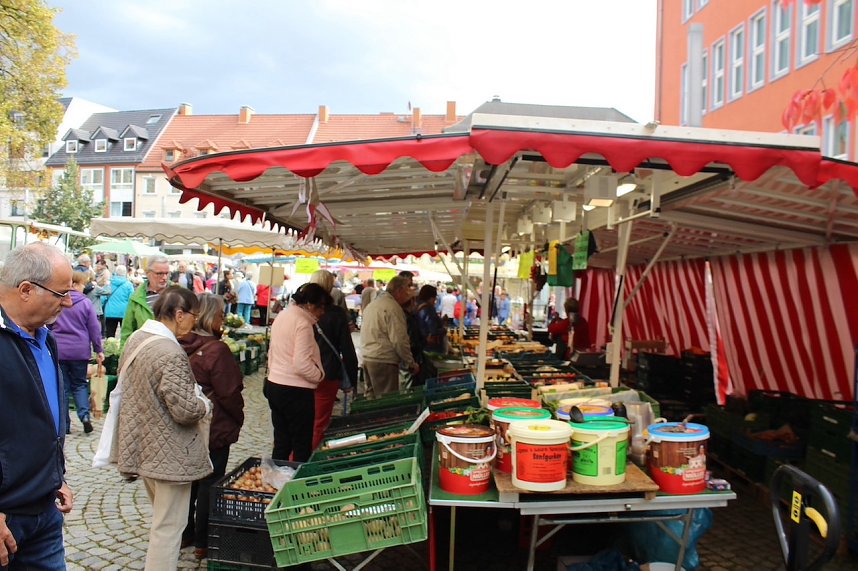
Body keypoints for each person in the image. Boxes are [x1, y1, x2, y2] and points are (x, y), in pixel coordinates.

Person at [116, 286, 211, 570]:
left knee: (162, 522)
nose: (195, 321)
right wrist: (204, 404)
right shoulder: (169, 351)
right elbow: (184, 410)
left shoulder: (137, 338)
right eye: (194, 315)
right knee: (169, 529)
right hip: (170, 455)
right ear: (179, 315)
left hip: (145, 447)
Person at [0, 242, 75, 569]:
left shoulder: (47, 339)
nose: (69, 302)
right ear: (26, 290)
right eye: (61, 294)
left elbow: (44, 417)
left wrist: (55, 475)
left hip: (44, 511)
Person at [178, 294, 244, 560]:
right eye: (220, 315)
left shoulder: (180, 345)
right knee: (210, 482)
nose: (223, 320)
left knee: (189, 484)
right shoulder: (216, 350)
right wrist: (238, 417)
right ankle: (204, 541)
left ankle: (186, 533)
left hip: (187, 425)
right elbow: (229, 393)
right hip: (212, 425)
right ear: (209, 317)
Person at [265, 283, 329, 461]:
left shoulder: (283, 315)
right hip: (295, 391)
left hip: (275, 384)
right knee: (301, 443)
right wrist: (319, 377)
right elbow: (301, 363)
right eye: (320, 306)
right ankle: (295, 483)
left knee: (282, 441)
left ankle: (276, 478)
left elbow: (272, 351)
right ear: (309, 304)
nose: (322, 312)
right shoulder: (302, 323)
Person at [306, 271, 358, 449]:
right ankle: (305, 461)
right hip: (327, 373)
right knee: (319, 422)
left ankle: (293, 459)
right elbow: (347, 349)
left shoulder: (299, 311)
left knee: (301, 419)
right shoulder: (336, 314)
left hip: (302, 372)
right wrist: (352, 380)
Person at [49, 269, 104, 435]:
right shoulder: (86, 303)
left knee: (63, 388)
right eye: (82, 284)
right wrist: (99, 349)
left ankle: (64, 424)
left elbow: (49, 323)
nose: (83, 287)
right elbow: (94, 329)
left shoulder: (58, 301)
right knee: (80, 385)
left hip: (59, 350)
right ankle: (85, 417)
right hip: (79, 351)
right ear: (74, 284)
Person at [360, 275, 419, 398]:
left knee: (371, 400)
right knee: (385, 401)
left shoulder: (375, 304)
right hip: (383, 359)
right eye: (406, 291)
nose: (408, 295)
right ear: (398, 290)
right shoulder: (393, 307)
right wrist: (410, 363)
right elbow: (399, 340)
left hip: (368, 356)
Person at [120, 255, 171, 350]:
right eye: (159, 273)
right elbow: (127, 331)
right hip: (145, 353)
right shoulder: (136, 298)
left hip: (173, 353)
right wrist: (123, 356)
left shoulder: (178, 294)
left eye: (167, 273)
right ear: (148, 273)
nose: (164, 277)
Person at [103, 265, 134, 339]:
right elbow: (132, 298)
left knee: (110, 333)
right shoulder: (128, 285)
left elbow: (103, 297)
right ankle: (122, 348)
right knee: (124, 333)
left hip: (110, 311)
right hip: (124, 312)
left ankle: (110, 348)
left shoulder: (109, 283)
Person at [416, 285, 446, 353]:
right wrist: (444, 329)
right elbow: (433, 331)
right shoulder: (429, 309)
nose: (435, 300)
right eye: (435, 298)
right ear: (431, 297)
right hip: (431, 347)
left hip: (420, 344)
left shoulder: (416, 305)